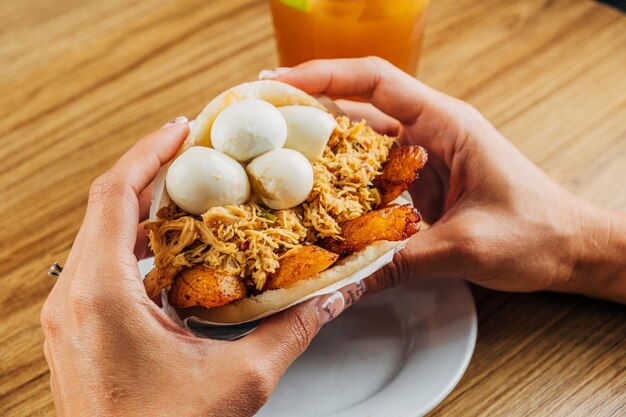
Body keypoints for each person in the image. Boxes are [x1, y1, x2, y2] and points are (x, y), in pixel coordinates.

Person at [41, 57, 626, 416]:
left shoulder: (350, 153)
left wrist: (578, 248)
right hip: (220, 257)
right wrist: (583, 253)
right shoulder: (201, 260)